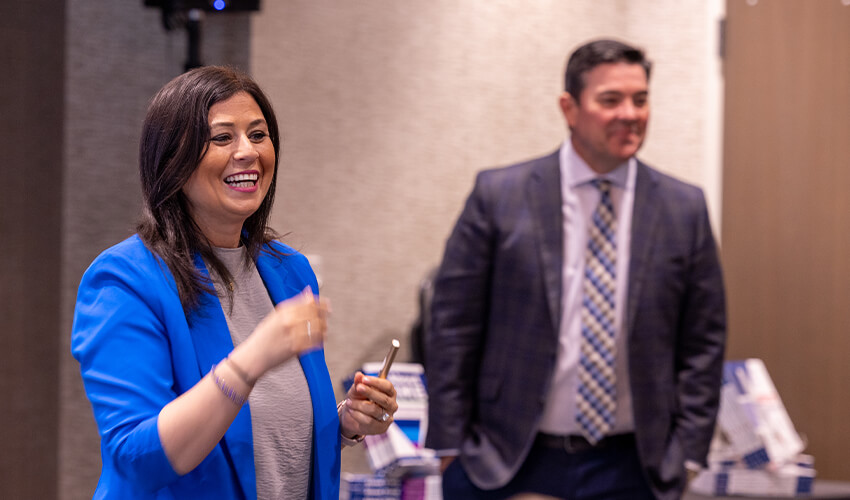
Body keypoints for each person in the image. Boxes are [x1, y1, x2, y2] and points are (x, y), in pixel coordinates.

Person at [71, 66, 398, 500]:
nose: (248, 152)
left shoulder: (289, 271)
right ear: (172, 162)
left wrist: (345, 423)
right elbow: (135, 458)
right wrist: (251, 360)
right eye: (223, 138)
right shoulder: (124, 282)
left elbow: (261, 440)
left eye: (259, 135)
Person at [425, 39, 726, 500]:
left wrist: (687, 454)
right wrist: (449, 447)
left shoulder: (683, 207)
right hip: (507, 460)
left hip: (635, 466)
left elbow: (703, 340)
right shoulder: (500, 195)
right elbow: (451, 326)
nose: (630, 113)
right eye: (611, 100)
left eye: (641, 99)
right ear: (569, 107)